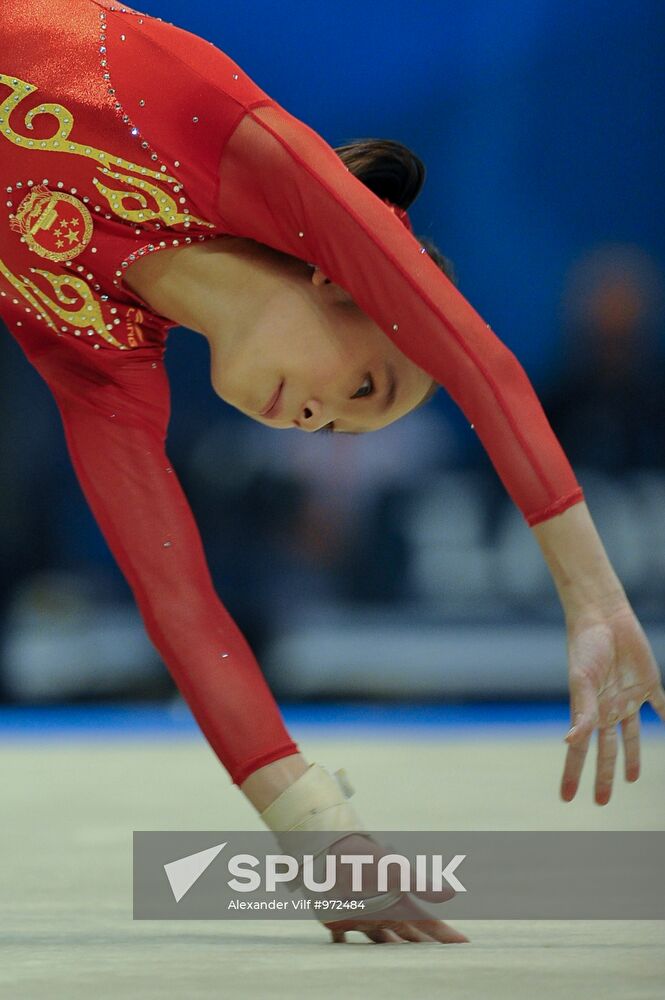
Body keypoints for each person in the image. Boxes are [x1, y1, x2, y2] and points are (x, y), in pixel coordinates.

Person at [1, 0, 663, 945]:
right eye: (363, 382)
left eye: (344, 425)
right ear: (334, 274)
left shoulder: (98, 360)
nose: (320, 419)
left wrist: (320, 840)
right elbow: (481, 364)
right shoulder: (221, 136)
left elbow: (183, 610)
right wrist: (593, 598)